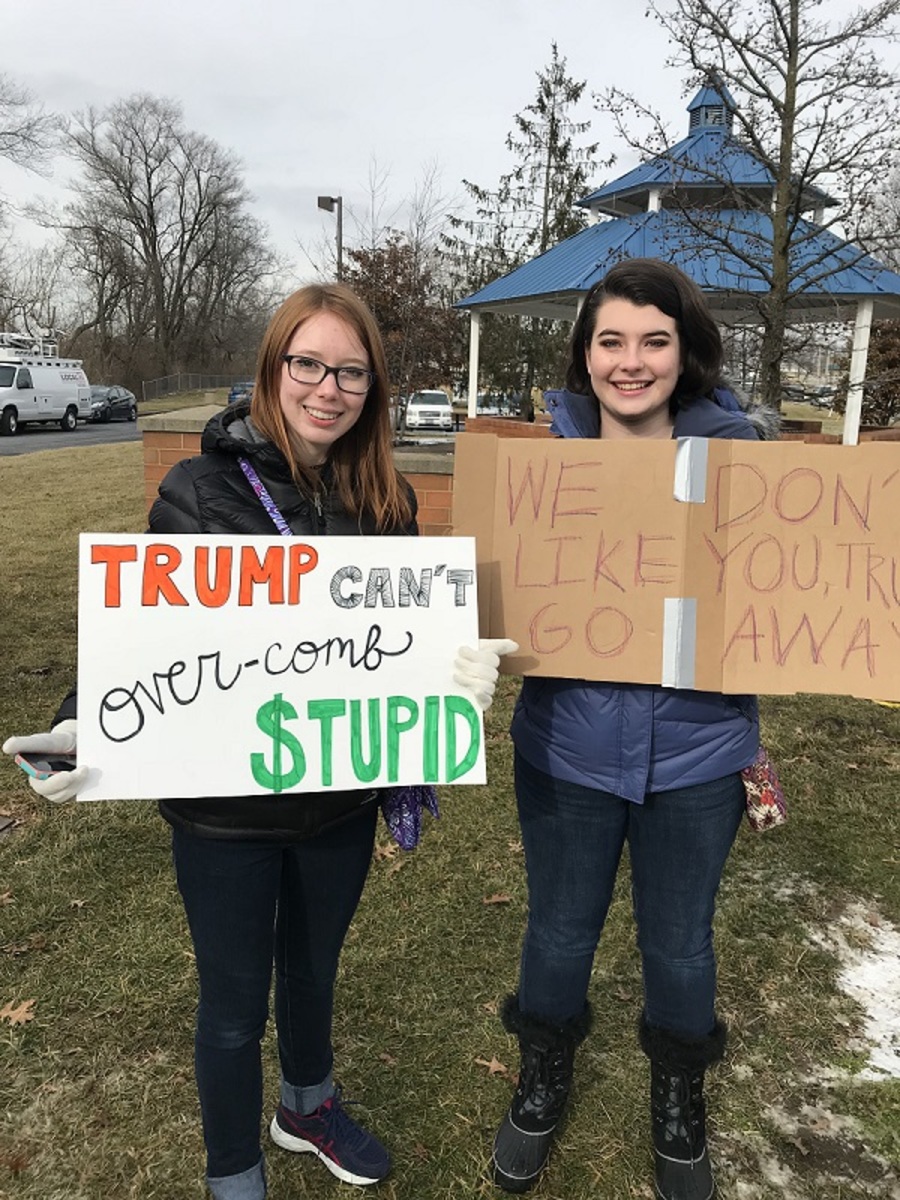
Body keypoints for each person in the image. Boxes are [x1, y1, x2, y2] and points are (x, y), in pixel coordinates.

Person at [3, 283, 514, 1200]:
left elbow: (403, 643)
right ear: (273, 370)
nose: (328, 387)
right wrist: (87, 721)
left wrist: (457, 666)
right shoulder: (198, 490)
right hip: (224, 815)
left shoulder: (385, 498)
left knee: (314, 974)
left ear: (373, 386)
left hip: (337, 797)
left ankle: (306, 1106)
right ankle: (233, 1171)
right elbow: (144, 633)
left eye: (351, 371)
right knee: (234, 1008)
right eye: (308, 364)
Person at [492, 259, 775, 1200]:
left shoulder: (749, 469)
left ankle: (679, 1098)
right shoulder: (537, 469)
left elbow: (785, 601)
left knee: (681, 944)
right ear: (585, 354)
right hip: (567, 747)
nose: (631, 360)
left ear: (684, 351)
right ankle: (542, 1079)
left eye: (654, 340)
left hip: (699, 754)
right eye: (611, 340)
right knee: (560, 934)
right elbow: (497, 603)